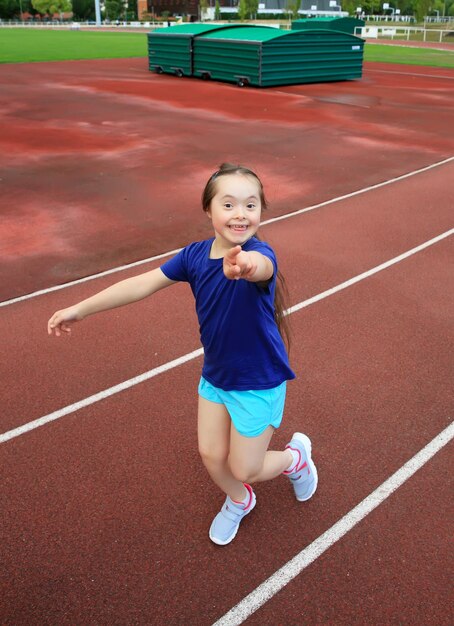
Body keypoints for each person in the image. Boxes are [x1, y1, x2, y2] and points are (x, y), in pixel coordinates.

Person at [48, 163, 318, 546]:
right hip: (216, 376)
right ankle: (241, 502)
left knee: (246, 466)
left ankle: (296, 459)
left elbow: (263, 268)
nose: (240, 213)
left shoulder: (258, 253)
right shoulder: (193, 257)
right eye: (228, 204)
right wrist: (81, 308)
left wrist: (245, 266)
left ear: (261, 212)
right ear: (208, 210)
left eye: (251, 205)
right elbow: (142, 283)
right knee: (211, 455)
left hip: (257, 381)